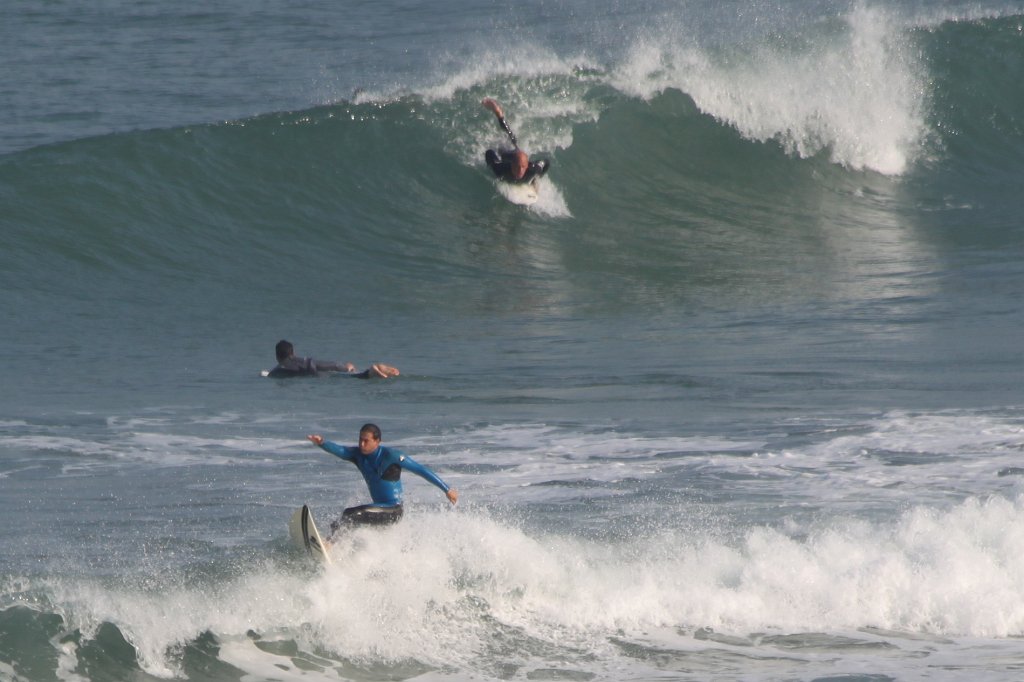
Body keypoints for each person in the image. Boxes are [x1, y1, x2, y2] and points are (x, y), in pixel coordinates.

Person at [307, 424, 458, 533]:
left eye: (366, 441)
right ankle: (337, 550)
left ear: (377, 441)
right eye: (360, 439)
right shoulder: (358, 455)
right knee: (339, 523)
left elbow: (421, 470)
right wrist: (322, 443)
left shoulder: (391, 456)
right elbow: (340, 450)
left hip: (393, 511)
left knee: (351, 515)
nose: (361, 444)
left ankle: (331, 544)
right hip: (378, 509)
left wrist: (447, 489)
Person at [482, 98, 550, 184]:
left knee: (511, 138)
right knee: (507, 135)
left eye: (522, 167)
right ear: (512, 166)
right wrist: (491, 167)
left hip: (515, 150)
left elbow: (546, 162)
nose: (520, 171)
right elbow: (489, 152)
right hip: (505, 150)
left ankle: (499, 114)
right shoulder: (500, 169)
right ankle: (498, 113)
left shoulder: (533, 169)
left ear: (527, 166)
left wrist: (536, 179)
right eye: (517, 167)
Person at [266, 339, 399, 379]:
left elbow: (272, 375)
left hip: (314, 377)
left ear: (277, 356)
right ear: (293, 352)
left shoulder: (278, 370)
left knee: (349, 378)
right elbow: (327, 364)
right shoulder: (300, 360)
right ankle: (373, 370)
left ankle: (372, 372)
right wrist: (345, 367)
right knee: (350, 374)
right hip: (315, 370)